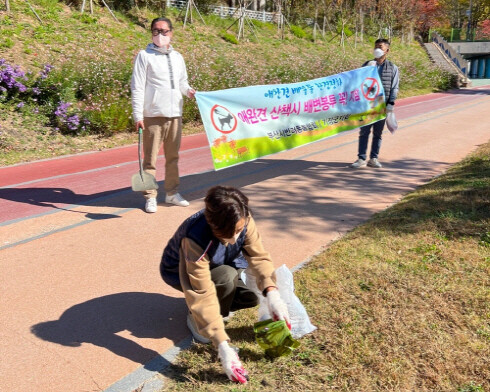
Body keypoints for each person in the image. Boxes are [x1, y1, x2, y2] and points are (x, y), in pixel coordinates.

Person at [160, 186, 290, 384]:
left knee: (251, 296)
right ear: (213, 226)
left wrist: (272, 294)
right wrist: (222, 345)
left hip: (222, 261)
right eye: (226, 234)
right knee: (225, 277)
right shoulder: (195, 237)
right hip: (181, 270)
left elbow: (258, 256)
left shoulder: (243, 216)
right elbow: (201, 291)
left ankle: (217, 308)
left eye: (239, 231)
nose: (234, 239)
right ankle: (196, 317)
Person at [131, 17, 196, 213]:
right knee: (149, 159)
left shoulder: (177, 57)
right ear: (151, 33)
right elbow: (137, 87)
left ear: (171, 32)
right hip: (152, 115)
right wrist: (138, 115)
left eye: (164, 31)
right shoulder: (144, 56)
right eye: (156, 31)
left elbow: (182, 82)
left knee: (173, 157)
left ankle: (171, 193)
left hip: (175, 114)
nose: (160, 35)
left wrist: (190, 91)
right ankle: (150, 196)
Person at [351, 38, 400, 169]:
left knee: (378, 133)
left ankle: (373, 158)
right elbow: (357, 81)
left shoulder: (393, 68)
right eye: (376, 47)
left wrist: (391, 103)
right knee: (364, 132)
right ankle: (361, 158)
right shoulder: (367, 64)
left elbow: (395, 86)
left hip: (382, 105)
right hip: (367, 104)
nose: (377, 49)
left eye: (381, 47)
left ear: (387, 50)